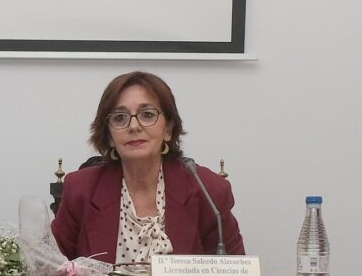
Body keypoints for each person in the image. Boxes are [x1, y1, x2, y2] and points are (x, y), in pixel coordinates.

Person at [51, 71, 244, 264]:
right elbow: (50, 269)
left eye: (147, 115)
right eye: (120, 118)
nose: (134, 126)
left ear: (168, 129)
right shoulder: (81, 190)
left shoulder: (207, 190)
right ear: (109, 136)